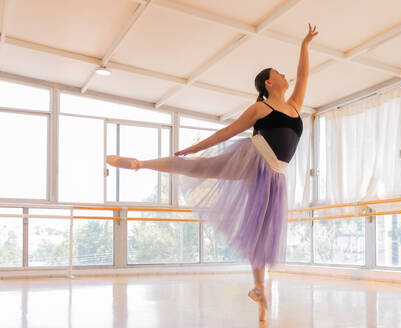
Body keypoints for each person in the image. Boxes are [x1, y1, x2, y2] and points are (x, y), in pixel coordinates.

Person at [106, 23, 318, 321]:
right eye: (278, 73)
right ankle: (141, 163)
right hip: (253, 159)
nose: (285, 75)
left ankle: (259, 287)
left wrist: (305, 45)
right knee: (196, 167)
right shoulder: (260, 109)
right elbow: (228, 132)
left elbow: (305, 74)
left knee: (260, 230)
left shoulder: (295, 106)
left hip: (276, 175)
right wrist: (194, 147)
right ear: (268, 84)